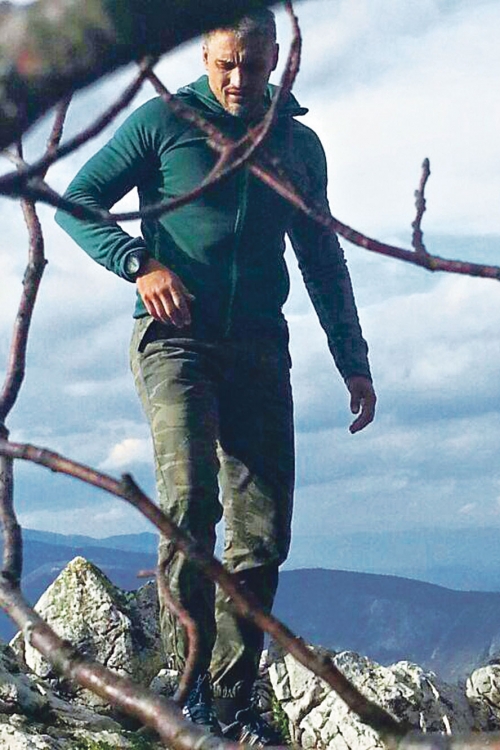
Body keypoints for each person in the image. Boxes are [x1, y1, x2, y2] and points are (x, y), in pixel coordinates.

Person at [56, 8, 376, 745]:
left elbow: (322, 258)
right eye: (225, 63)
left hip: (260, 348)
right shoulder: (163, 123)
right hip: (174, 341)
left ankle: (232, 703)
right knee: (192, 500)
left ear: (277, 60)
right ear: (204, 55)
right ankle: (186, 685)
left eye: (253, 64)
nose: (237, 79)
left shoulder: (296, 146)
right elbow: (77, 200)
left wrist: (352, 359)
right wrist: (139, 263)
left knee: (262, 536)